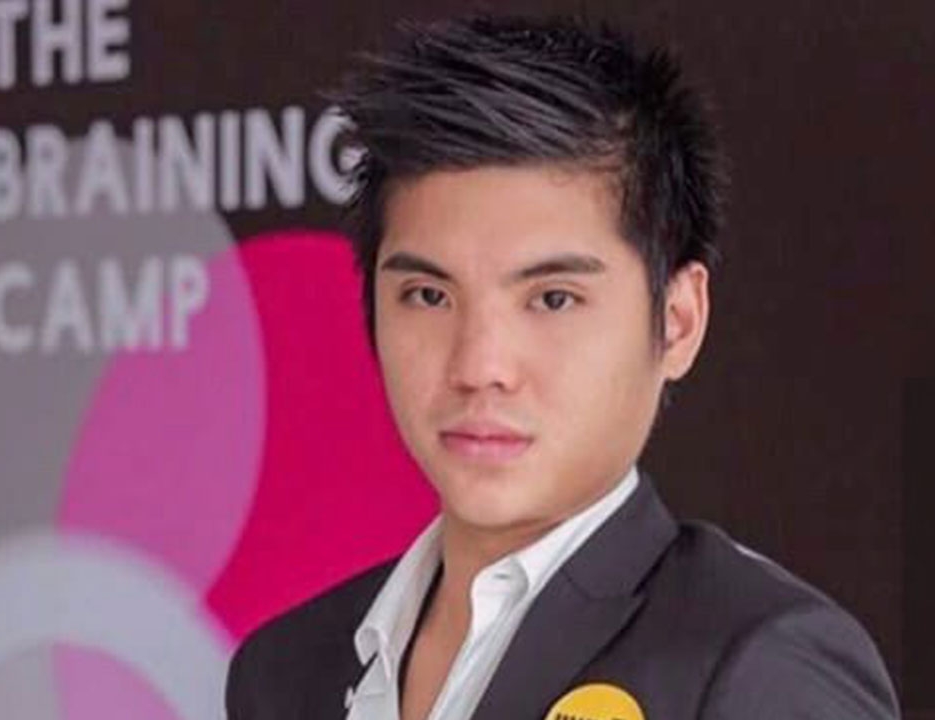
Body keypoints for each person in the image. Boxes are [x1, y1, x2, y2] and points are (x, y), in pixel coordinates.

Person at [226, 14, 899, 720]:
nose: (480, 366)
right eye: (428, 295)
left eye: (552, 298)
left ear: (677, 320)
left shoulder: (756, 664)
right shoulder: (284, 672)